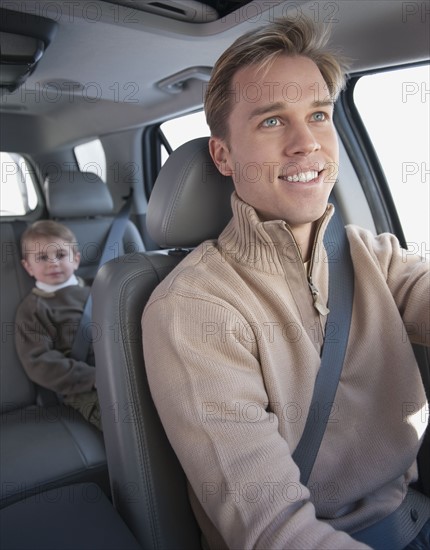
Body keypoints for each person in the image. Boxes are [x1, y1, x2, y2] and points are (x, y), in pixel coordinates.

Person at [142, 16, 429, 550]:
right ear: (222, 155)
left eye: (318, 115)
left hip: (411, 513)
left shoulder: (370, 253)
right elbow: (273, 530)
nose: (306, 144)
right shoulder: (194, 307)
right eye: (272, 122)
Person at [15, 220, 102, 431]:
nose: (53, 263)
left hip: (124, 367)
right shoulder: (33, 309)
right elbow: (39, 362)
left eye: (61, 255)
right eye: (42, 258)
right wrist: (93, 377)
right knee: (125, 420)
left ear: (76, 259)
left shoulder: (99, 287)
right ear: (28, 266)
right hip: (85, 387)